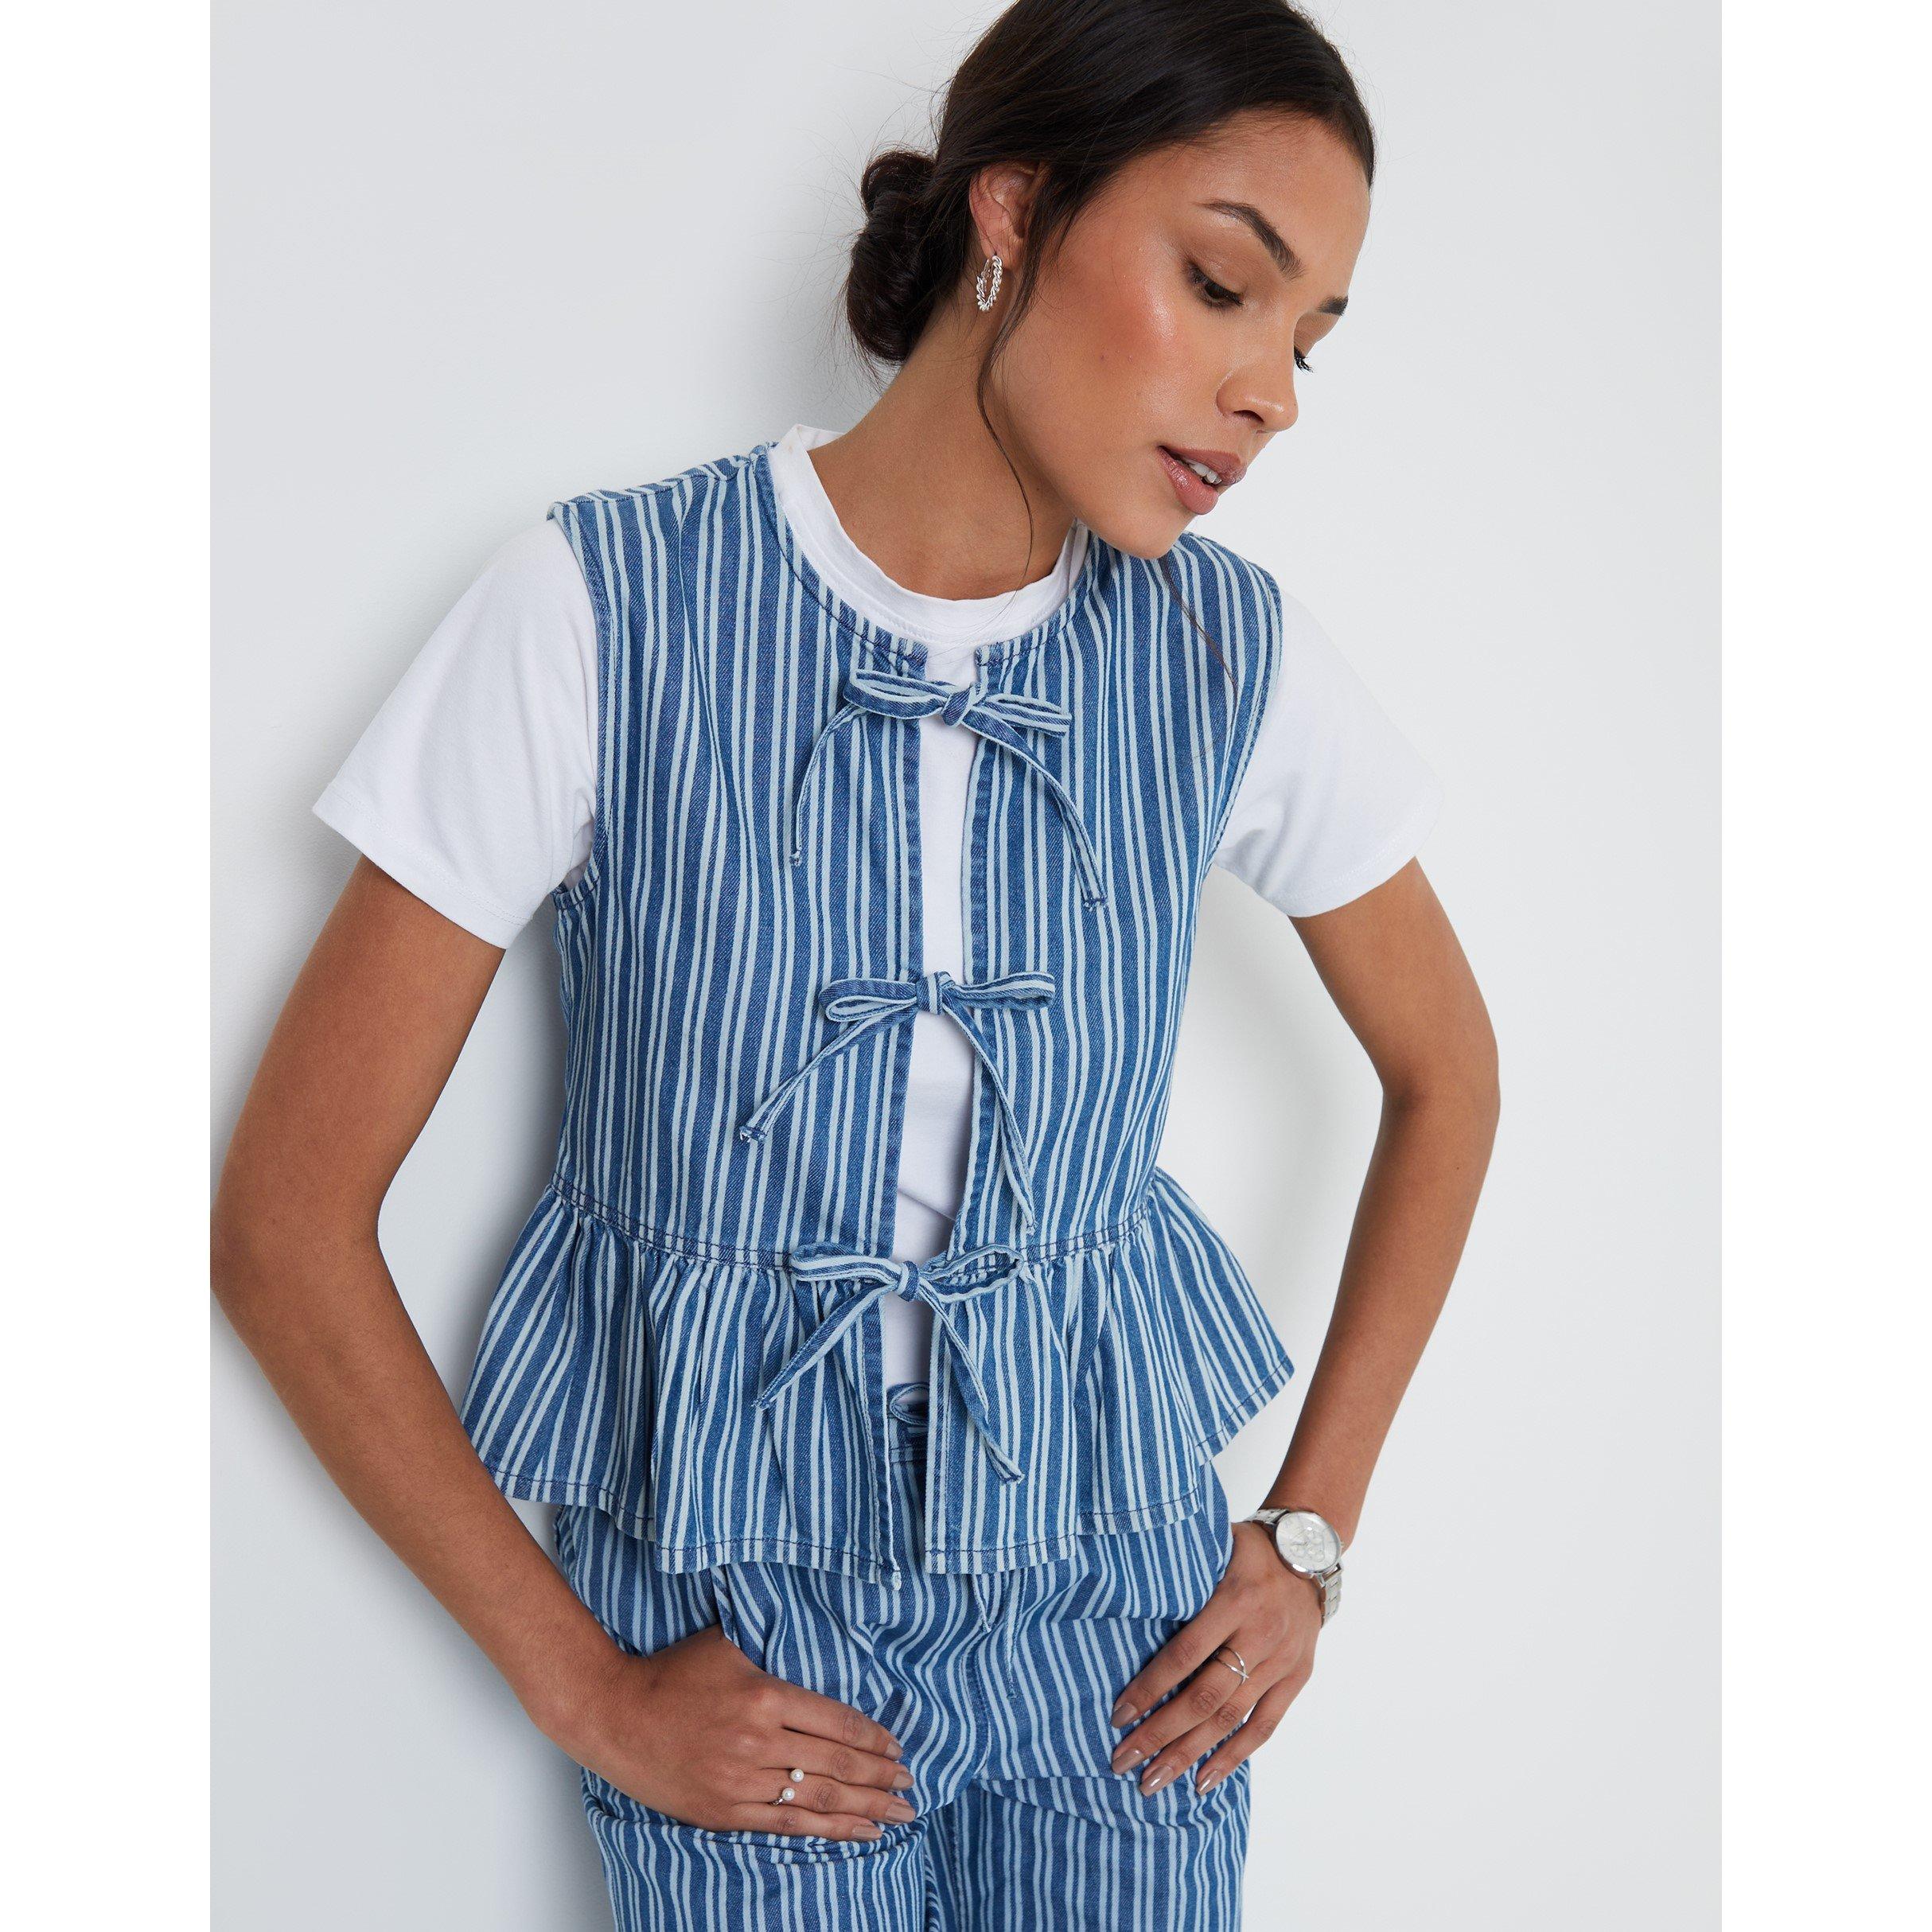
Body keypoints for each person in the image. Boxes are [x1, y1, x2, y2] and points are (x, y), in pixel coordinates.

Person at [212, 1, 1499, 1924]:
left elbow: (1448, 1074)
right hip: (745, 1625)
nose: (1270, 396)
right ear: (1014, 213)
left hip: (1124, 1626)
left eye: (1305, 338)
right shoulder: (604, 605)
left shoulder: (1226, 654)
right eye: (1222, 286)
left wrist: (1306, 1536)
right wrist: (584, 1685)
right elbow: (284, 1219)